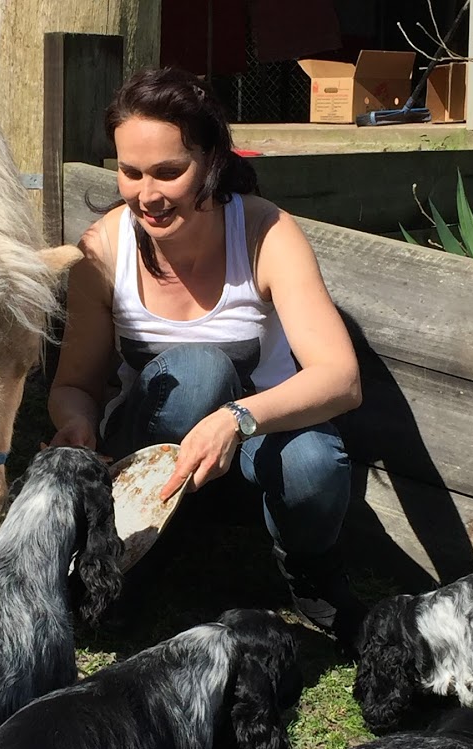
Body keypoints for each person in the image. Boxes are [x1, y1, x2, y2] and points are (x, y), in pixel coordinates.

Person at [48, 67, 367, 653]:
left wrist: (235, 420)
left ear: (212, 161)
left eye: (170, 171)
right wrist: (77, 423)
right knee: (197, 372)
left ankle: (309, 571)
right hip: (147, 457)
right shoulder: (103, 249)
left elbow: (341, 378)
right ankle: (130, 557)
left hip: (247, 455)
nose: (148, 194)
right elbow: (75, 384)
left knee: (313, 462)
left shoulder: (265, 232)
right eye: (130, 172)